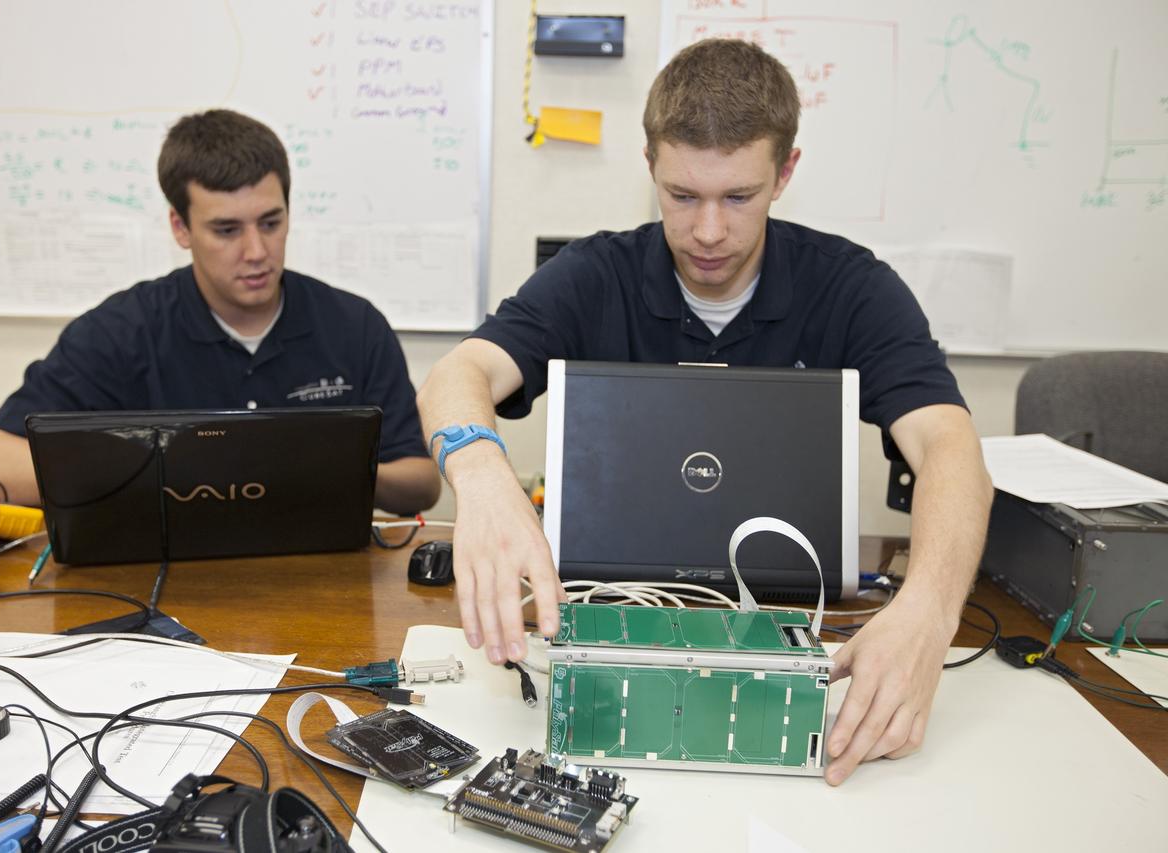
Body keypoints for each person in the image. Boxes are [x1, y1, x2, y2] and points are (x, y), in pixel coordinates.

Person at [416, 39, 993, 786]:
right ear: (651, 162)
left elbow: (951, 445)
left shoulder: (851, 285)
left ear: (785, 172)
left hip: (800, 635)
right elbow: (457, 373)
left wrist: (927, 611)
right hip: (605, 634)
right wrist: (485, 479)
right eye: (682, 196)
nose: (710, 231)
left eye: (739, 197)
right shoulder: (597, 273)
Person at [0, 109, 440, 515]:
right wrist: (167, 466)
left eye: (271, 223)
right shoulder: (120, 332)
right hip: (161, 580)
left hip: (321, 583)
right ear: (180, 227)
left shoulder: (354, 326)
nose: (256, 251)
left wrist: (315, 468)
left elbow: (420, 483)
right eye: (227, 230)